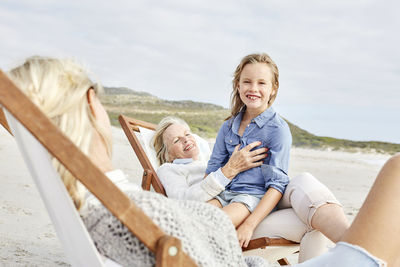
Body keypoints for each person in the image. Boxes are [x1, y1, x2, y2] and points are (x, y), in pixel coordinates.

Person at [7, 56, 398, 267]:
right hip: (236, 213)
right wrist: (231, 176)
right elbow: (196, 217)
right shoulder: (150, 187)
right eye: (176, 140)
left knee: (306, 189)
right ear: (93, 106)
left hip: (250, 205)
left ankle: (343, 239)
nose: (186, 142)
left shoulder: (103, 207)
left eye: (188, 135)